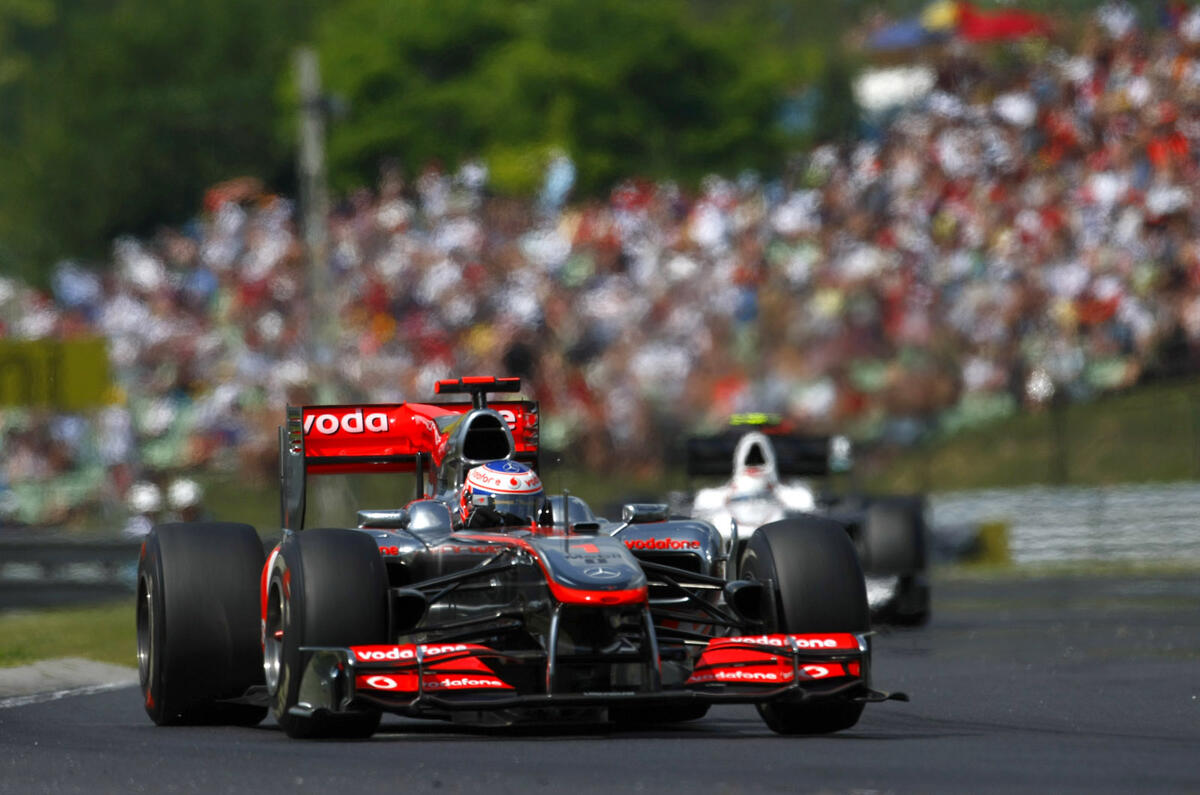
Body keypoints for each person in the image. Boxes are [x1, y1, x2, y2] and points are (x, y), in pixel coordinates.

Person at [457, 460, 545, 528]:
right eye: (501, 509)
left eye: (522, 509)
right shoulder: (449, 543)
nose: (510, 526)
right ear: (467, 502)